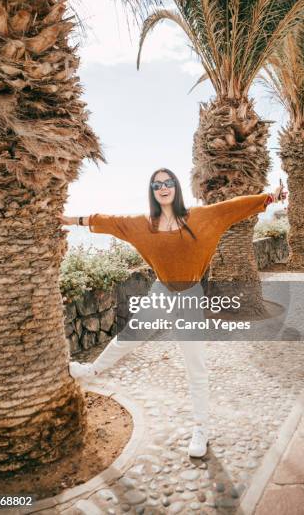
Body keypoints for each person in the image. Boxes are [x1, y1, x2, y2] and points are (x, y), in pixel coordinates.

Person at [58, 168, 286, 458]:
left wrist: (270, 197)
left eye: (168, 183)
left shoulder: (201, 217)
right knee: (128, 338)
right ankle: (90, 372)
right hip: (161, 293)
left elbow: (236, 207)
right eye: (157, 184)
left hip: (190, 296)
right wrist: (71, 220)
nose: (163, 187)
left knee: (196, 368)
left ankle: (201, 429)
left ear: (176, 187)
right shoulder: (143, 224)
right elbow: (108, 221)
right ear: (153, 191)